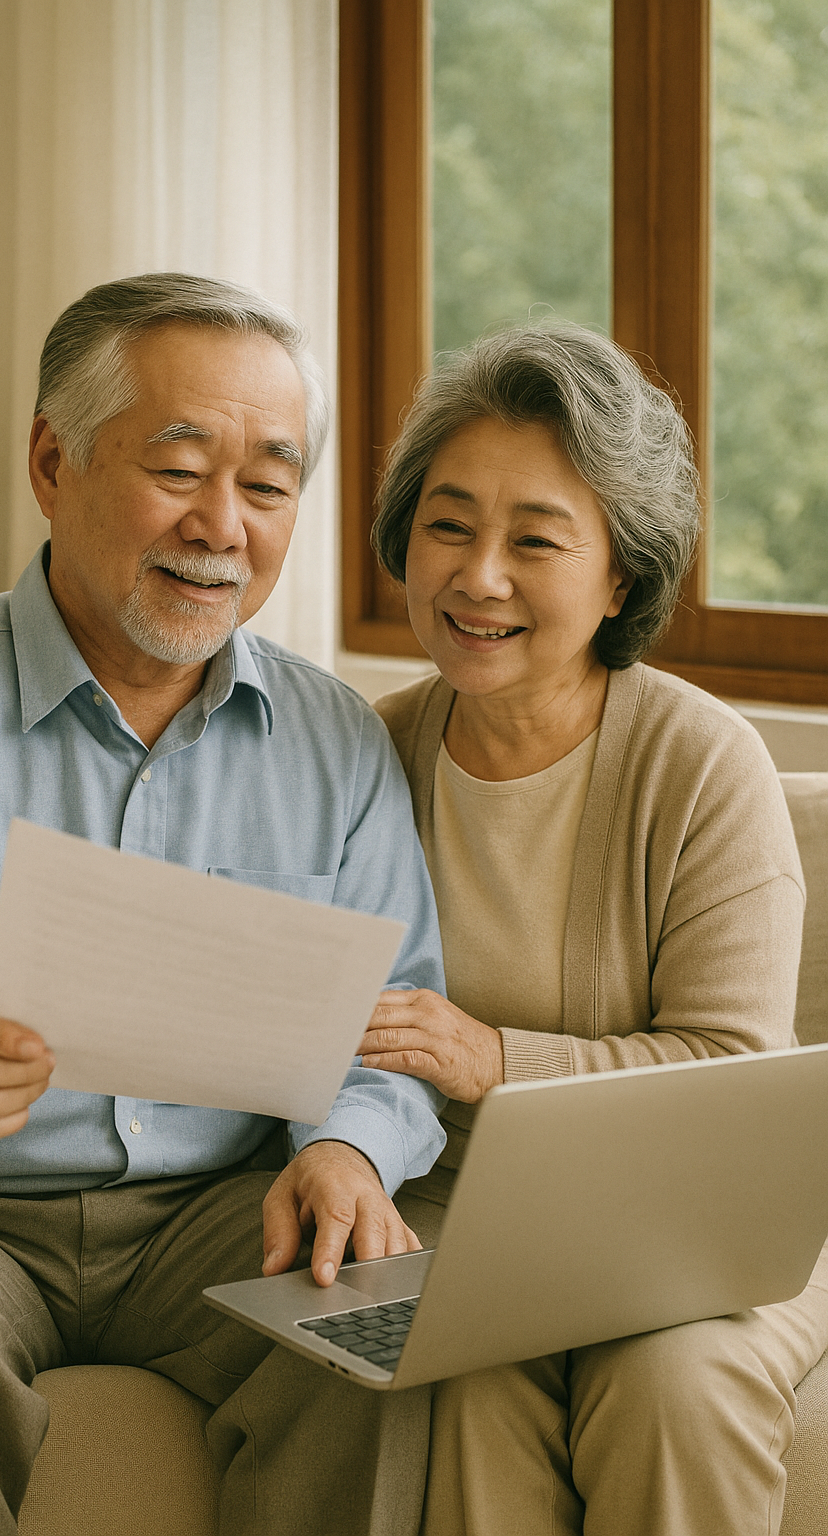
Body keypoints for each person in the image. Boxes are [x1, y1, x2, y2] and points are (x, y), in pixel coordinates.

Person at [0, 273, 449, 1536]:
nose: (223, 524)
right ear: (53, 463)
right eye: (178, 467)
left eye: (266, 486)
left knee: (384, 1330)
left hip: (219, 1207)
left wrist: (347, 1145)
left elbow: (393, 1023)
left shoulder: (335, 741)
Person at [359, 321, 828, 1536]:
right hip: (464, 1227)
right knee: (463, 1387)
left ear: (619, 575)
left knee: (672, 1386)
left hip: (698, 1234)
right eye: (450, 524)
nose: (479, 577)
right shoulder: (364, 757)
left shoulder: (698, 762)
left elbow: (732, 1072)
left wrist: (490, 1058)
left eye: (536, 540)